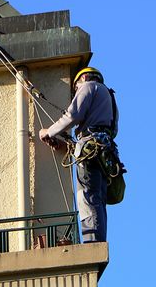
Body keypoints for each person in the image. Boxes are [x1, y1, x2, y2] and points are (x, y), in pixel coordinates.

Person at [39, 67, 118, 243]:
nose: (76, 91)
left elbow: (73, 115)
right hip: (106, 153)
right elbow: (109, 129)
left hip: (90, 148)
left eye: (75, 88)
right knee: (98, 199)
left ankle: (92, 242)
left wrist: (49, 132)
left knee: (87, 198)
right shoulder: (110, 97)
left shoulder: (88, 86)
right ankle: (98, 240)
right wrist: (65, 144)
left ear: (84, 77)